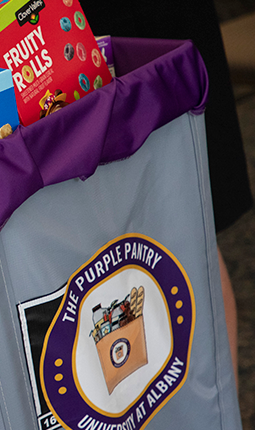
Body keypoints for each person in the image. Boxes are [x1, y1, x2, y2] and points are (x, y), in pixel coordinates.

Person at [83, 0, 252, 382]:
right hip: (75, 33)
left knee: (191, 230)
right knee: (110, 249)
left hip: (148, 28)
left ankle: (218, 409)